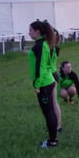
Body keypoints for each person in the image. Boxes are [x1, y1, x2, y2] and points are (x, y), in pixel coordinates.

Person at [28, 19, 59, 148]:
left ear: (37, 31)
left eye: (30, 30)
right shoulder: (43, 43)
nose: (29, 33)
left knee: (48, 112)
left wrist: (37, 85)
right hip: (47, 81)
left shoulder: (40, 45)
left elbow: (40, 66)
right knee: (49, 111)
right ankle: (53, 138)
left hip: (44, 84)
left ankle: (52, 141)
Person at [51, 31, 62, 132]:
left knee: (53, 102)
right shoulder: (56, 48)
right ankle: (56, 125)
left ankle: (58, 126)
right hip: (53, 74)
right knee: (52, 102)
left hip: (51, 75)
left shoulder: (50, 48)